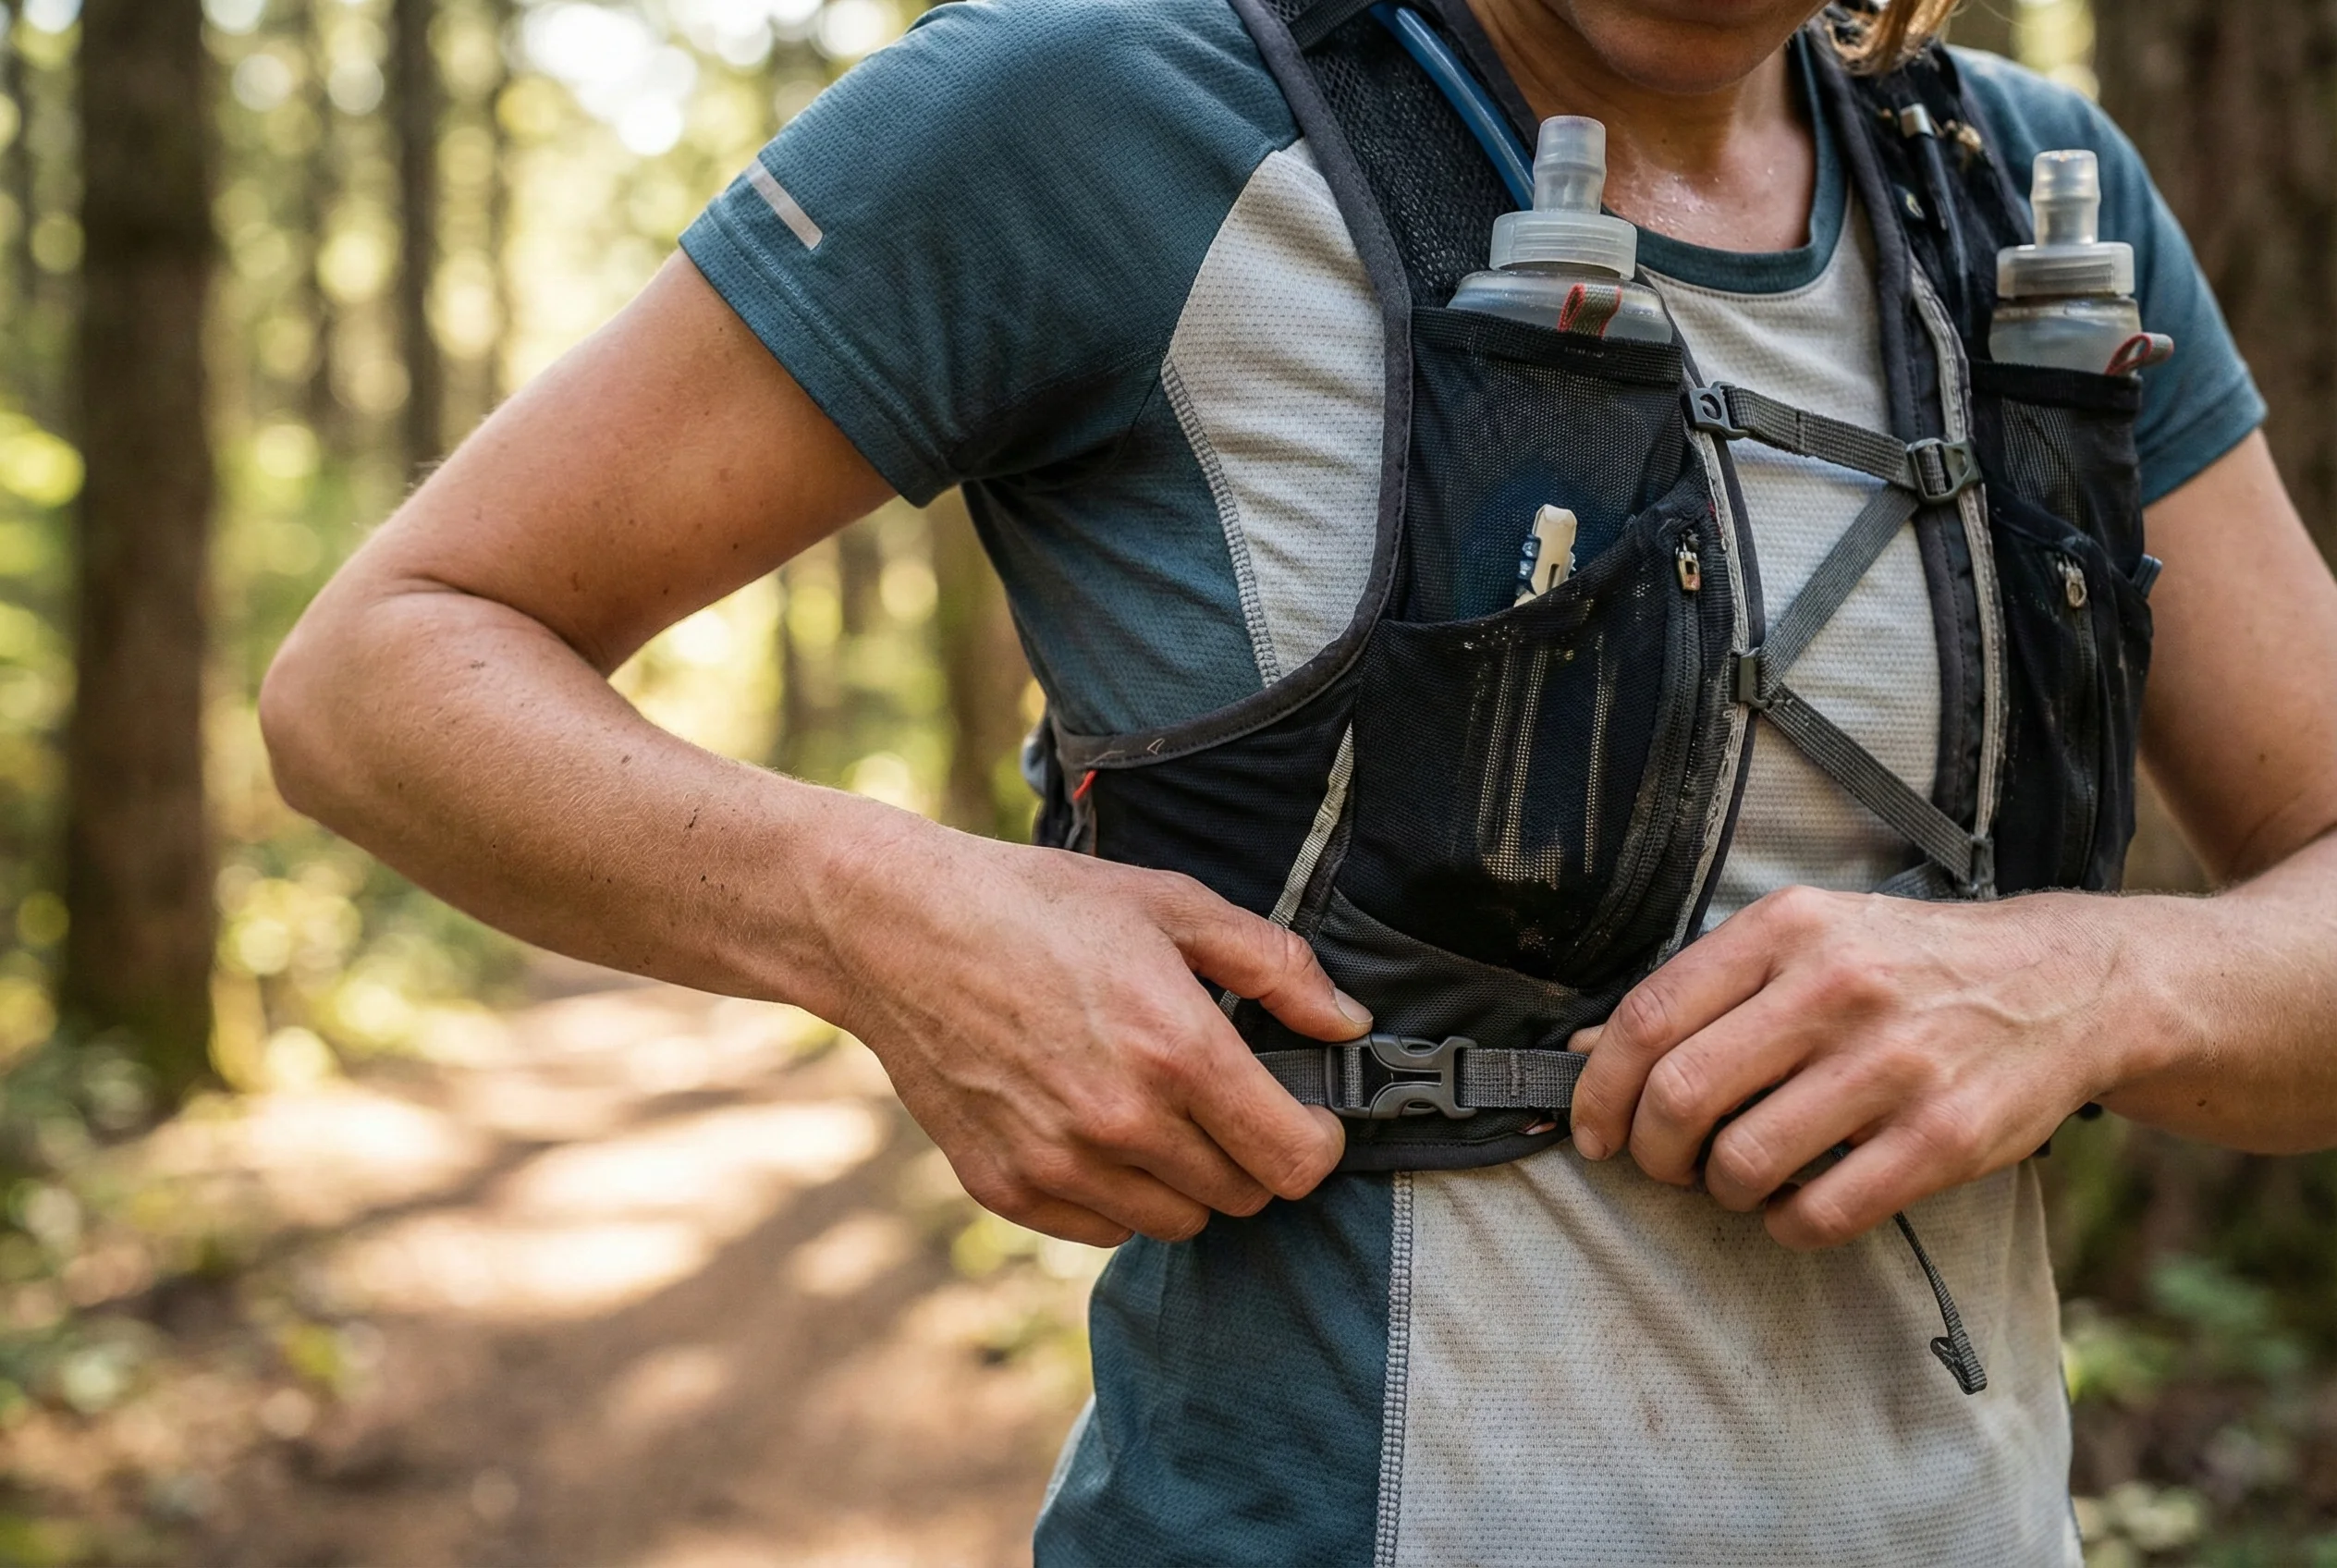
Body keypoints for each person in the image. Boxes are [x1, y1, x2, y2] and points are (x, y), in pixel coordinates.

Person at [261, 0, 2337, 1559]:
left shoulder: (2033, 202)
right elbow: (383, 671)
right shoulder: (1102, 107)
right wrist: (887, 914)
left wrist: (2096, 981)